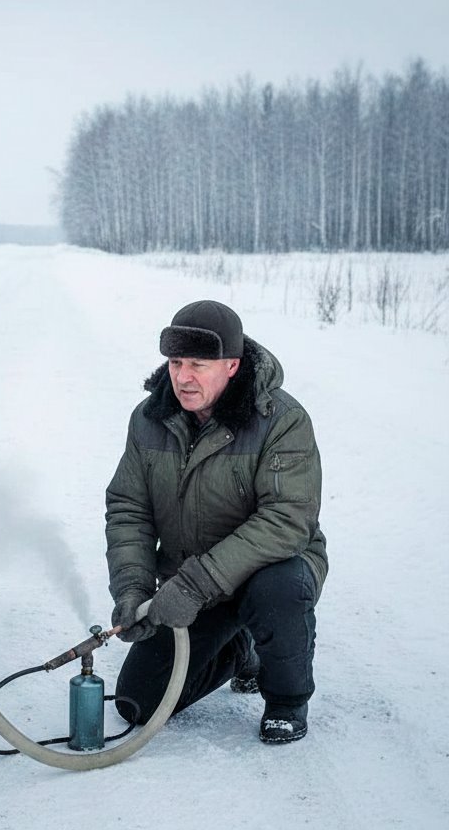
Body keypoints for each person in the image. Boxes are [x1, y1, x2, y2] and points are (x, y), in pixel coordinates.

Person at [104, 300, 327, 743]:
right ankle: (239, 648)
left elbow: (286, 520)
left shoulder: (281, 420)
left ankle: (286, 700)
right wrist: (133, 586)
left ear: (231, 366)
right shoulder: (149, 419)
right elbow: (129, 507)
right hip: (190, 578)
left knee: (279, 589)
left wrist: (195, 583)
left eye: (199, 365)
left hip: (266, 568)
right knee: (137, 704)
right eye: (175, 362)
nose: (183, 377)